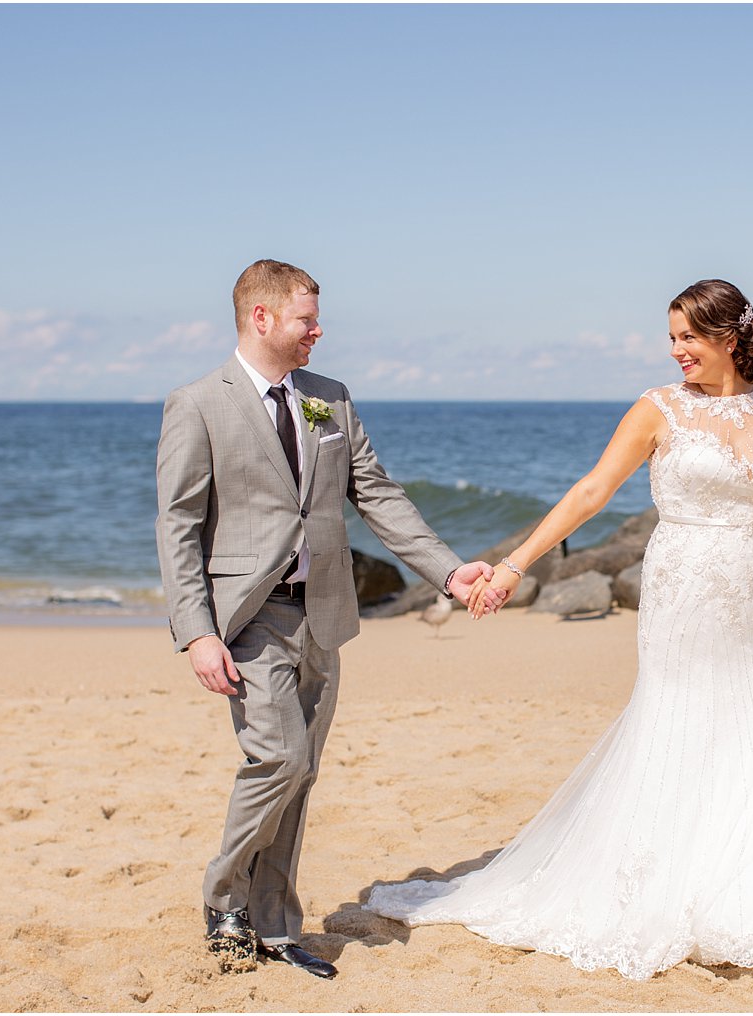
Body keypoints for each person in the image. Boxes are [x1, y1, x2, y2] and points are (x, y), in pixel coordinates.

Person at [363, 279, 753, 980]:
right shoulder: (657, 409)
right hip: (685, 590)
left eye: (690, 338)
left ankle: (752, 896)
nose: (678, 352)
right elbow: (591, 491)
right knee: (683, 731)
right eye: (672, 338)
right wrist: (514, 564)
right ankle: (664, 887)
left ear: (731, 336)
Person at [156, 259, 502, 980]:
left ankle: (276, 924)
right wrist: (196, 631)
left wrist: (445, 569)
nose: (319, 329)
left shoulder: (330, 400)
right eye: (306, 318)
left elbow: (376, 494)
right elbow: (179, 525)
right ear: (261, 318)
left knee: (301, 772)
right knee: (277, 759)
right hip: (245, 620)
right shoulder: (197, 403)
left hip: (322, 616)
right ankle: (225, 898)